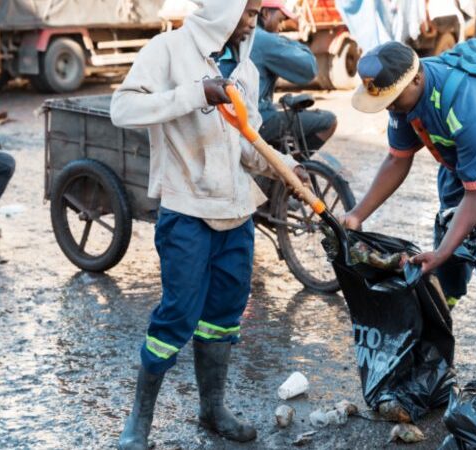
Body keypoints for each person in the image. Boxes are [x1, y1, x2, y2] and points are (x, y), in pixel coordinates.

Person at [110, 1, 307, 448]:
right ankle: (139, 421)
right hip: (187, 210)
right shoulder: (167, 50)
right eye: (247, 12)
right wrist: (196, 94)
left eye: (255, 12)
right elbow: (122, 109)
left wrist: (285, 168)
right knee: (178, 313)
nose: (253, 21)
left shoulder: (245, 69)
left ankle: (212, 409)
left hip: (236, 211)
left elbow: (247, 144)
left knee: (223, 315)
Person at [343, 42, 476, 382]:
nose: (390, 107)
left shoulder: (469, 104)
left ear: (416, 80)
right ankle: (432, 362)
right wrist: (356, 214)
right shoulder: (403, 95)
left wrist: (440, 251)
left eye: (393, 99)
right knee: (446, 271)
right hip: (460, 168)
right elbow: (397, 158)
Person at [251, 0, 338, 151]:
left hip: (243, 116)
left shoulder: (243, 35)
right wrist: (282, 40)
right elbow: (309, 68)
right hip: (258, 120)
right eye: (280, 21)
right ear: (265, 14)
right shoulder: (264, 39)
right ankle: (287, 165)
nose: (280, 28)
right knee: (328, 121)